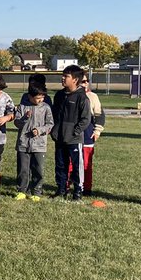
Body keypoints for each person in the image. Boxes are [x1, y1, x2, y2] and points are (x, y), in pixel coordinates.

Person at [52, 65, 91, 200]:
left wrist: (75, 132)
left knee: (76, 166)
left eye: (66, 76)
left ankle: (78, 191)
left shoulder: (82, 97)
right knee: (60, 164)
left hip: (74, 139)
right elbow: (54, 115)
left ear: (75, 80)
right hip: (60, 138)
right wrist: (55, 130)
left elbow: (86, 119)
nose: (62, 78)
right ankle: (61, 189)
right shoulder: (59, 95)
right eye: (63, 75)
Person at [13, 84, 53, 199]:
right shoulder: (22, 107)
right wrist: (25, 118)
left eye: (42, 97)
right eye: (38, 98)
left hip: (39, 145)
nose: (41, 100)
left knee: (38, 169)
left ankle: (36, 191)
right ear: (30, 97)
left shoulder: (46, 107)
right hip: (23, 143)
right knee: (23, 169)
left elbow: (50, 124)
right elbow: (17, 123)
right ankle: (21, 190)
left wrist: (40, 130)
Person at [78, 75, 106, 195]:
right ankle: (69, 185)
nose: (84, 84)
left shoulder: (93, 96)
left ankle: (86, 188)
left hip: (88, 134)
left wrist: (97, 131)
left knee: (86, 164)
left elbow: (99, 114)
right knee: (70, 162)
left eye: (86, 81)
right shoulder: (70, 95)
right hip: (73, 135)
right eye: (82, 81)